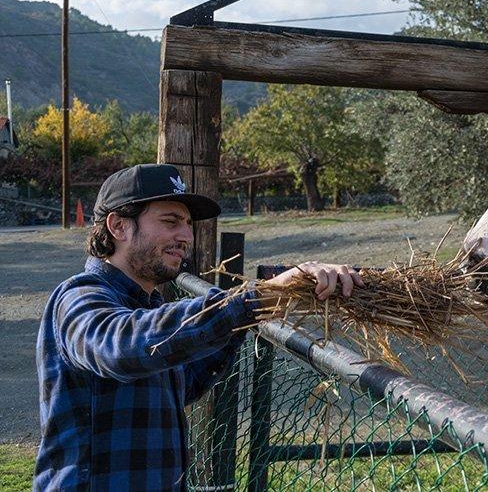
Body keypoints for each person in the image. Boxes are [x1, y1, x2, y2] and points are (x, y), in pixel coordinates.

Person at [33, 163, 362, 491]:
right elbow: (118, 348)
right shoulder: (79, 296)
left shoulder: (149, 305)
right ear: (118, 226)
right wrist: (256, 297)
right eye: (170, 221)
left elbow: (183, 384)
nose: (186, 236)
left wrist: (250, 315)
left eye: (188, 224)